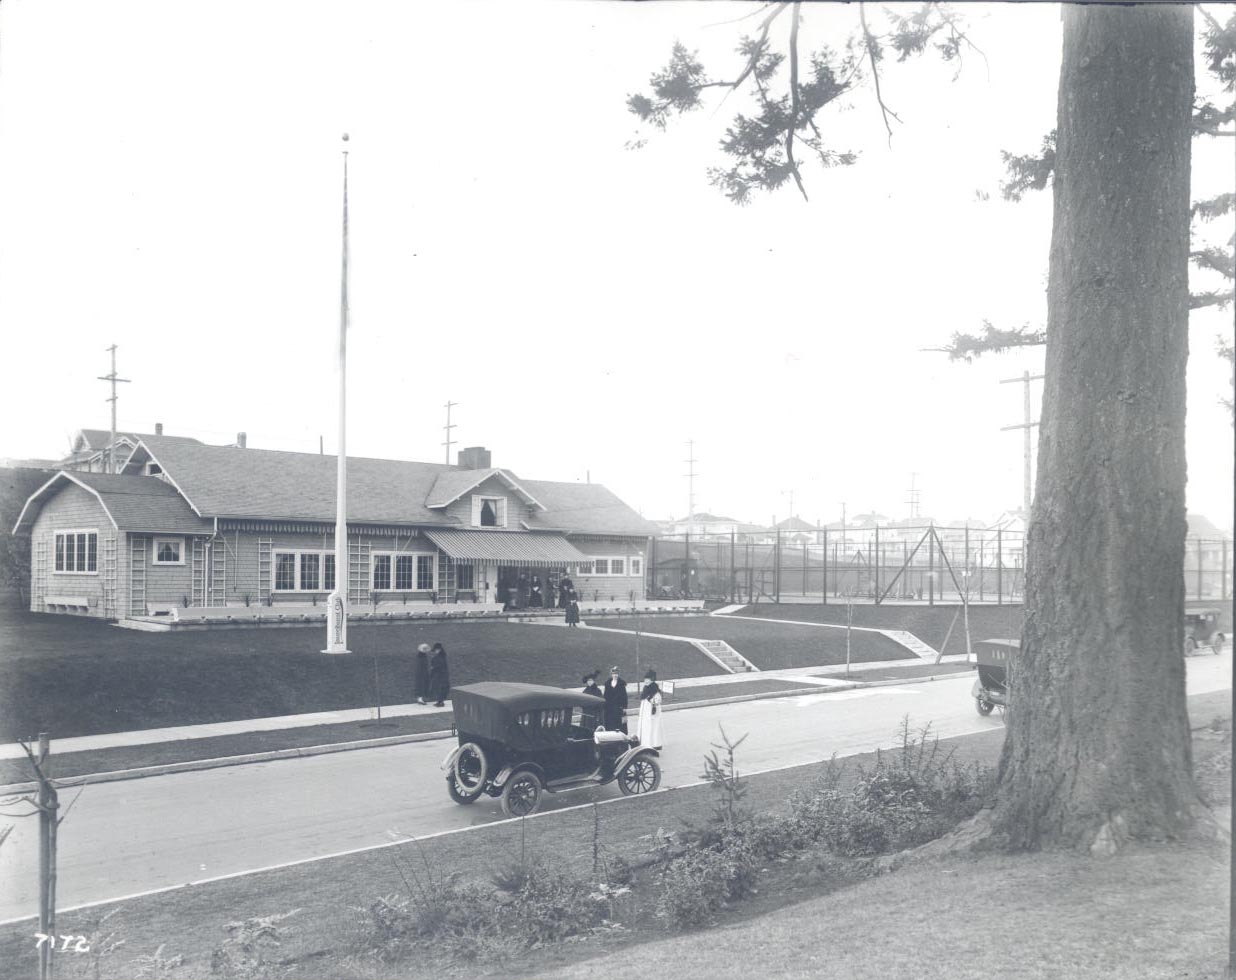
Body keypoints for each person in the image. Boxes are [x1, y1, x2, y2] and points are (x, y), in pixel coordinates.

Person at [636, 669, 663, 749]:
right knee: (646, 727)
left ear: (652, 680)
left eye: (648, 679)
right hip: (645, 712)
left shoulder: (654, 688)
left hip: (652, 712)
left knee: (653, 727)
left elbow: (658, 700)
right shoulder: (646, 688)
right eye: (645, 679)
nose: (646, 681)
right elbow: (643, 698)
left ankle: (654, 744)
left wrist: (652, 701)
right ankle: (645, 742)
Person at [603, 665, 628, 733]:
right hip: (609, 707)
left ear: (618, 674)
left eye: (616, 674)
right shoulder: (607, 683)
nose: (615, 675)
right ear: (611, 674)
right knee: (610, 722)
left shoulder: (621, 684)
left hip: (618, 706)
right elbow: (605, 695)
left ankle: (619, 735)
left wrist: (624, 707)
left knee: (619, 722)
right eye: (613, 674)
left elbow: (624, 696)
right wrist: (605, 705)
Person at [428, 642, 451, 707]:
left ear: (438, 650)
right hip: (443, 675)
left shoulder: (438, 658)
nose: (435, 651)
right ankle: (440, 701)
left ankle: (440, 702)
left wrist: (432, 669)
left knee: (439, 688)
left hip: (439, 676)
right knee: (442, 688)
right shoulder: (443, 656)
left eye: (435, 650)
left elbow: (435, 667)